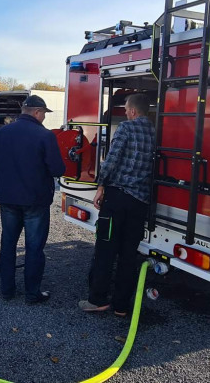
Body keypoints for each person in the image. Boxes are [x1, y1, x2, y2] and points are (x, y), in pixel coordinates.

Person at [79, 93, 155, 317]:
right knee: (129, 255)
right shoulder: (155, 131)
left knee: (105, 249)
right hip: (140, 202)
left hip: (118, 199)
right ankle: (122, 306)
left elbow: (111, 160)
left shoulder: (126, 129)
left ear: (132, 111)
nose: (124, 113)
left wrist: (100, 186)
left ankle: (98, 300)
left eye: (126, 110)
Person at [0, 95, 65, 304]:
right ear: (38, 113)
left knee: (8, 244)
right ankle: (32, 293)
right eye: (44, 114)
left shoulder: (3, 133)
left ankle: (7, 290)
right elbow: (57, 169)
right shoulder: (45, 136)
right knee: (34, 247)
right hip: (35, 201)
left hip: (8, 200)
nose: (44, 118)